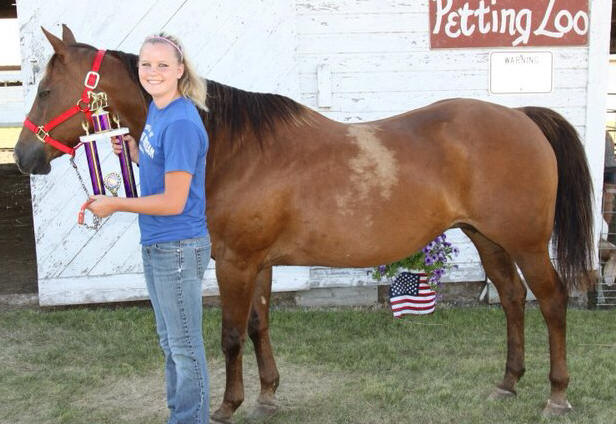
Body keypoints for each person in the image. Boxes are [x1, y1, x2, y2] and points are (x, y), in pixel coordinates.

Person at [86, 33, 210, 424]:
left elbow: (174, 201)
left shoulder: (182, 122)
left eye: (162, 65)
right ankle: (181, 416)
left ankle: (191, 419)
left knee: (185, 346)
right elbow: (162, 170)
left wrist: (116, 203)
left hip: (177, 247)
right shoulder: (158, 110)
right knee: (170, 342)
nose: (152, 72)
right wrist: (137, 154)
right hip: (158, 242)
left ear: (179, 71)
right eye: (145, 64)